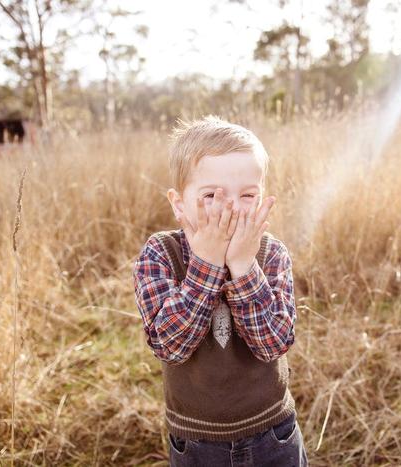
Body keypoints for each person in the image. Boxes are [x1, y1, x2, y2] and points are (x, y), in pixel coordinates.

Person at [132, 115, 308, 466]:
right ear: (179, 204)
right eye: (211, 194)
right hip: (198, 442)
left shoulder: (270, 253)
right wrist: (207, 264)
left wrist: (244, 266)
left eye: (247, 195)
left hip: (273, 432)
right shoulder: (160, 254)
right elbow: (170, 346)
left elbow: (274, 342)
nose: (230, 207)